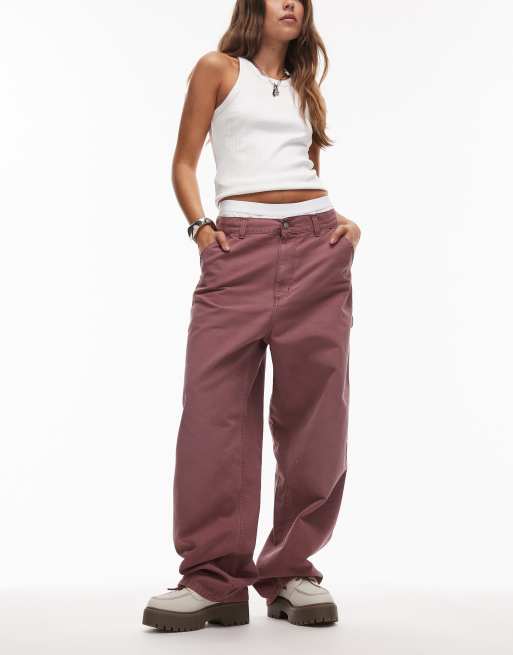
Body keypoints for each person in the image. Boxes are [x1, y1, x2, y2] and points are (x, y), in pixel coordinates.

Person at [142, 0, 361, 632]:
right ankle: (213, 579)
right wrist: (201, 230)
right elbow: (184, 161)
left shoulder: (305, 87)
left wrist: (341, 224)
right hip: (236, 251)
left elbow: (303, 168)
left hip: (317, 250)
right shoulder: (218, 69)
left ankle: (291, 571)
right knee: (213, 416)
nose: (292, 3)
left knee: (315, 418)